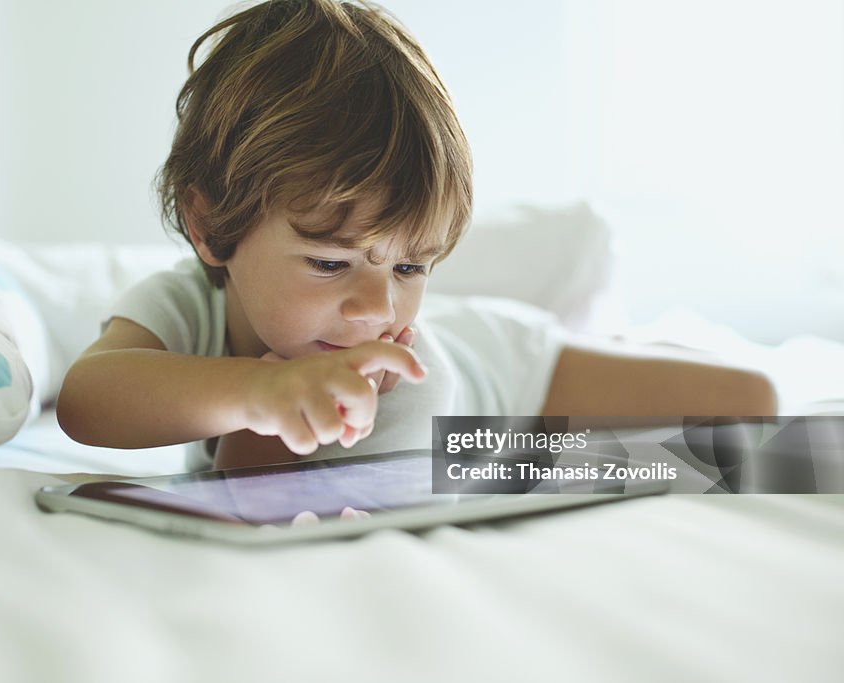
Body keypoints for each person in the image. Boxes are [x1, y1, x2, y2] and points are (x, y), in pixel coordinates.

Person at [57, 0, 777, 472]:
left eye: (410, 267)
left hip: (506, 370)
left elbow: (262, 492)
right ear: (212, 226)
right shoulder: (183, 304)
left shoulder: (404, 377)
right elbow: (88, 400)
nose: (377, 308)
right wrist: (259, 389)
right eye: (329, 261)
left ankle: (609, 336)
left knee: (750, 400)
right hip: (472, 369)